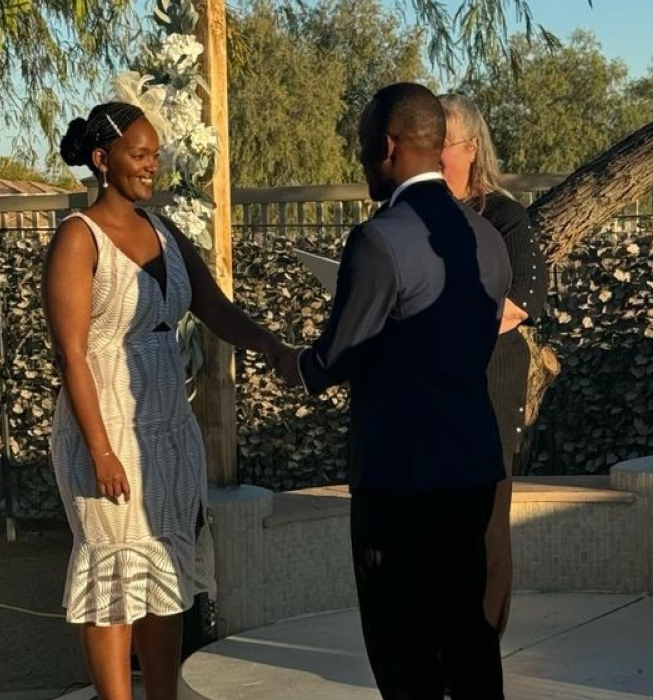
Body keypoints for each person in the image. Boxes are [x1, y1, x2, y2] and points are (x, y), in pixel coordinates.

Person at [273, 82, 511, 700]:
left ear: (386, 145)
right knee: (468, 632)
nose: (359, 160)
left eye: (361, 147)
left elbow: (336, 358)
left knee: (402, 647)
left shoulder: (379, 239)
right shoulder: (485, 235)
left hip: (399, 475)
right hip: (471, 462)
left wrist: (286, 358)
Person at [43, 101, 288, 700]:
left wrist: (277, 348)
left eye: (156, 155)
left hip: (168, 427)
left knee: (166, 570)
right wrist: (100, 450)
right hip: (103, 425)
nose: (153, 166)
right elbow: (71, 354)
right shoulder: (78, 238)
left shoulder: (165, 232)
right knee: (113, 572)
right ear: (103, 160)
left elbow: (216, 309)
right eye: (139, 154)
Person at [439, 93, 547, 638]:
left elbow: (521, 300)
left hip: (486, 390)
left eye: (444, 144)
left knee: (484, 523)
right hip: (427, 393)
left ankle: (480, 641)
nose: (433, 155)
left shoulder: (504, 217)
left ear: (471, 148)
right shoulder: (410, 215)